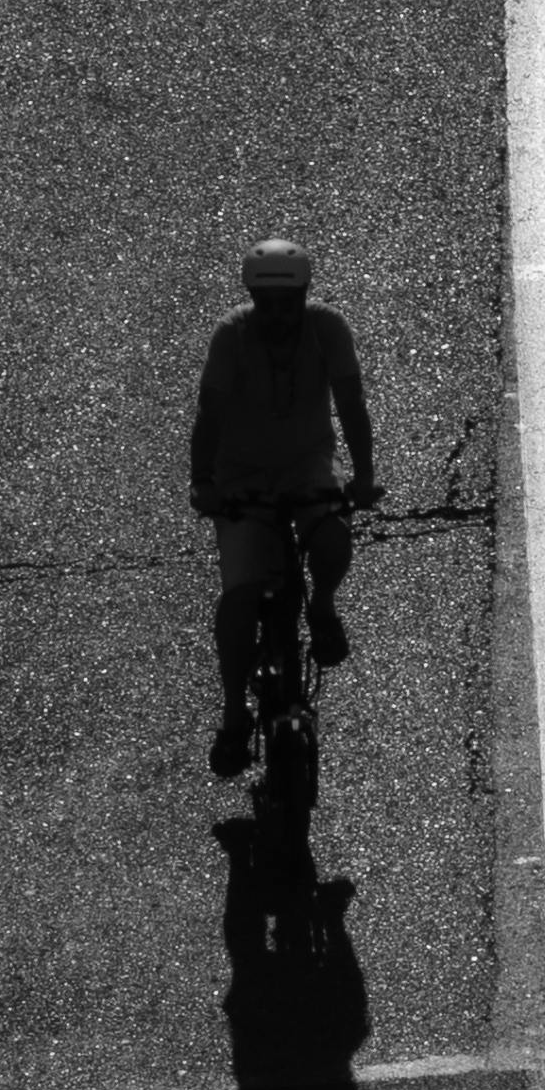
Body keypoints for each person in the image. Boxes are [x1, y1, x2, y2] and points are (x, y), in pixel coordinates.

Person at [190, 238, 381, 774]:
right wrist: (202, 481)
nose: (277, 313)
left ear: (305, 296)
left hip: (304, 465)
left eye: (287, 302)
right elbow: (210, 413)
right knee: (240, 592)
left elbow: (351, 403)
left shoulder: (328, 329)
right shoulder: (232, 334)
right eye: (265, 302)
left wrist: (363, 478)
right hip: (241, 475)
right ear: (251, 296)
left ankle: (321, 605)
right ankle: (233, 713)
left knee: (332, 534)